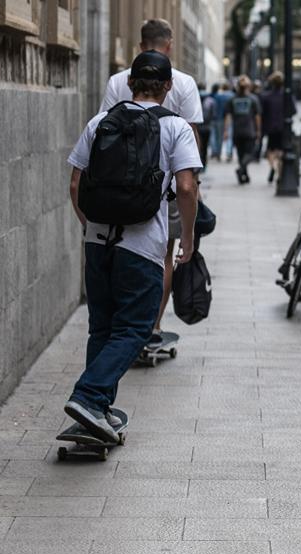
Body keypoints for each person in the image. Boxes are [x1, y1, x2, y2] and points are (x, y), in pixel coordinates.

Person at [65, 50, 201, 441]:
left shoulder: (99, 121)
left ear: (129, 83)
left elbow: (76, 183)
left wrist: (88, 224)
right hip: (142, 244)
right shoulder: (175, 127)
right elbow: (187, 187)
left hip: (97, 239)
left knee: (102, 327)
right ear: (168, 86)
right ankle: (90, 397)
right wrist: (187, 239)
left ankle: (96, 410)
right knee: (136, 327)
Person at [99, 18, 203, 352]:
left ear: (140, 44)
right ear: (169, 44)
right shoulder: (183, 83)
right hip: (168, 185)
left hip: (117, 184)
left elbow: (103, 127)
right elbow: (192, 135)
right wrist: (193, 183)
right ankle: (152, 327)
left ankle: (124, 324)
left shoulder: (117, 81)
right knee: (165, 255)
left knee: (118, 249)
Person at [258, 71, 296, 184]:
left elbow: (261, 112)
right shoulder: (287, 95)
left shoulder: (266, 96)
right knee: (281, 151)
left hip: (270, 127)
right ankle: (279, 173)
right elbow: (293, 111)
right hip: (283, 127)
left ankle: (273, 168)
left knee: (270, 150)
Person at [225, 76, 262, 184]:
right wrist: (259, 130)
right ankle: (241, 170)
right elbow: (257, 117)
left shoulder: (232, 99)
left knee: (241, 154)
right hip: (249, 130)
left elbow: (228, 116)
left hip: (237, 130)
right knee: (250, 153)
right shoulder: (253, 99)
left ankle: (244, 175)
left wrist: (226, 130)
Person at [198, 82, 216, 170]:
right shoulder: (210, 100)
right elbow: (213, 114)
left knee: (198, 146)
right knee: (205, 147)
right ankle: (204, 165)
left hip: (197, 127)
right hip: (207, 127)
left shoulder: (195, 98)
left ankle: (198, 164)